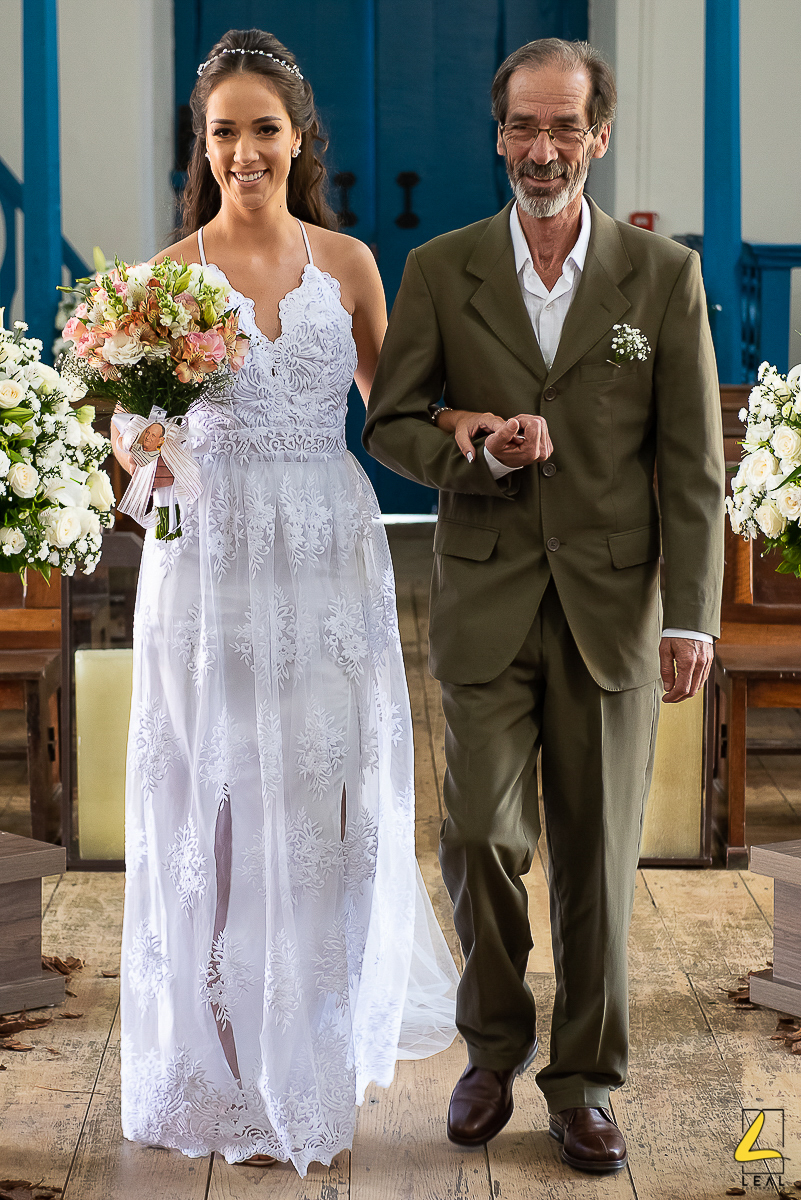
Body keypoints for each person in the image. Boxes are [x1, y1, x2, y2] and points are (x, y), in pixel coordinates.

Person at [364, 37, 725, 1174]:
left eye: (564, 127)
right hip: (482, 599)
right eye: (522, 126)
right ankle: (492, 1049)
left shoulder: (662, 280)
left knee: (597, 857)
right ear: (499, 134)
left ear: (599, 137)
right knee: (476, 835)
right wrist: (477, 449)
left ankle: (583, 1083)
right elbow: (393, 426)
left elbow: (693, 463)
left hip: (616, 612)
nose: (541, 148)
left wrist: (692, 615)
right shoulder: (440, 268)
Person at [112, 27, 457, 1177]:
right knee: (211, 808)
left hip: (324, 555)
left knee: (318, 808)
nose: (245, 151)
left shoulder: (351, 265)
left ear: (299, 138)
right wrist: (142, 443)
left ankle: (301, 1064)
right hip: (209, 562)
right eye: (224, 133)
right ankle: (214, 1066)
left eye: (265, 129)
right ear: (201, 146)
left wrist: (475, 434)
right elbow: (134, 456)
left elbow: (397, 412)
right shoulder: (162, 281)